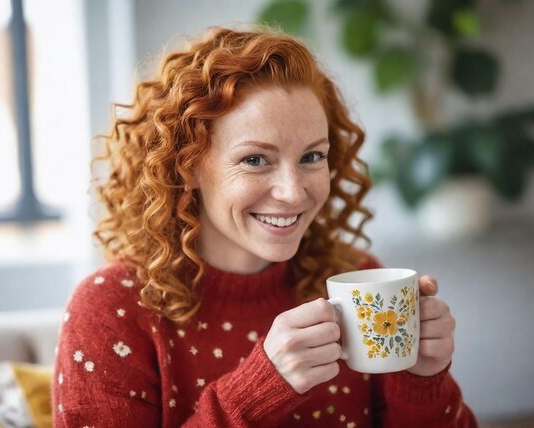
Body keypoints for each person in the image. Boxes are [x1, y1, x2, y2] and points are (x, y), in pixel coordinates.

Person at [52, 26, 477, 427]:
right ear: (187, 166)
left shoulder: (353, 279)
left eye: (312, 156)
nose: (293, 193)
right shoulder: (112, 311)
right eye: (255, 160)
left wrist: (423, 379)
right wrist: (258, 391)